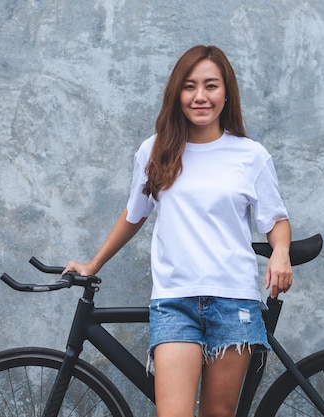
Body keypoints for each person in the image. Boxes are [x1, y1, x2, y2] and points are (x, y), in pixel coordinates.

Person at [63, 45, 293, 417]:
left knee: (218, 414)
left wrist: (280, 252)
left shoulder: (250, 155)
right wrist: (93, 264)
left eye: (211, 86)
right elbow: (133, 214)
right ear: (177, 93)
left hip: (233, 300)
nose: (200, 96)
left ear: (226, 92)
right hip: (175, 301)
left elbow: (276, 220)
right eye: (190, 86)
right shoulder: (155, 151)